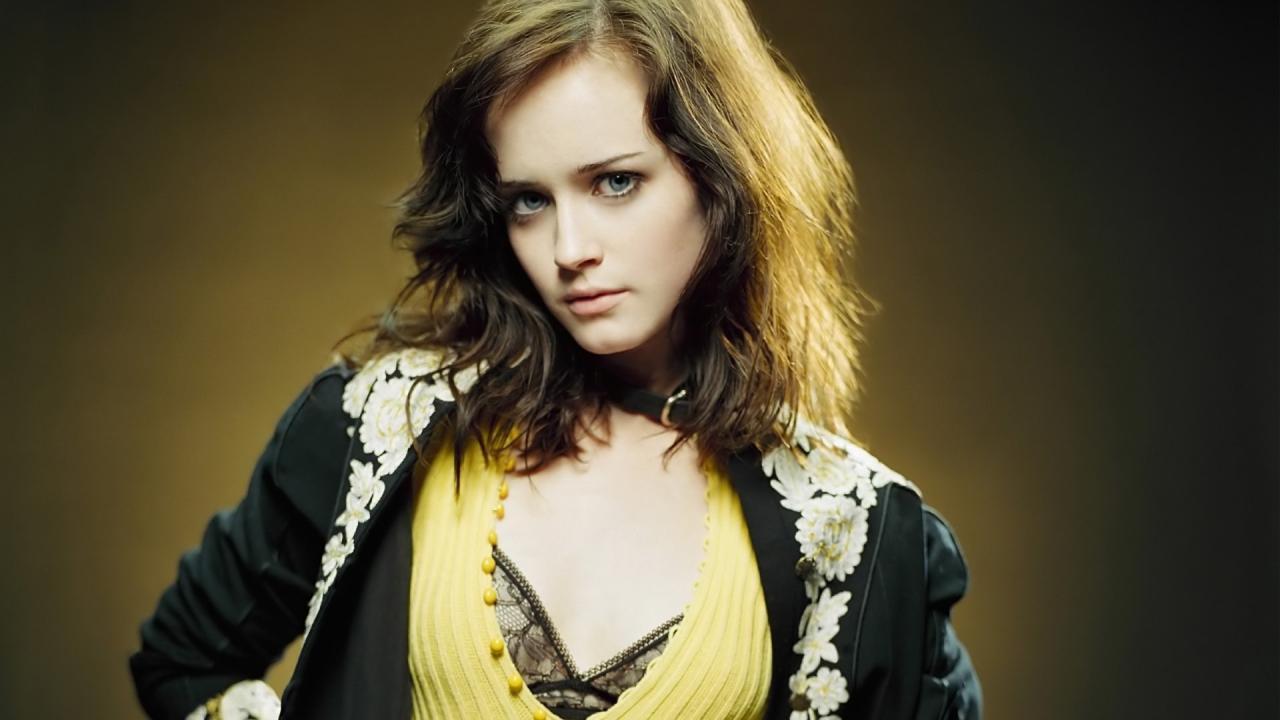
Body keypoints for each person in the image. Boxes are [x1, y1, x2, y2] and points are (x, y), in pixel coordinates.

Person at [129, 1, 983, 718]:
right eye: (529, 201)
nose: (570, 249)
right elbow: (182, 662)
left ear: (720, 177)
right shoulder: (383, 425)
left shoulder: (855, 529)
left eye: (615, 182)